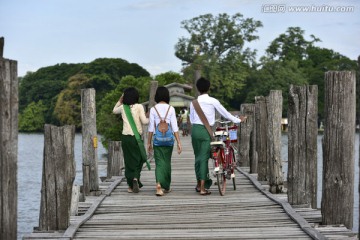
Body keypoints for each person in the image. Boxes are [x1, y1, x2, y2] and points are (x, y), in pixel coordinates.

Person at [189, 77, 247, 196]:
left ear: (197, 89)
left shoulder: (193, 103)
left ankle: (199, 183)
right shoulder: (212, 101)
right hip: (205, 131)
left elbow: (191, 119)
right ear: (209, 88)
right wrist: (238, 120)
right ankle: (203, 188)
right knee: (204, 158)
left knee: (198, 157)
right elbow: (225, 114)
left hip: (195, 130)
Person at [113, 87, 149, 194]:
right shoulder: (139, 106)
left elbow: (114, 110)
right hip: (136, 138)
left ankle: (130, 185)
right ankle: (135, 178)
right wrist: (151, 118)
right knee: (140, 159)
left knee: (129, 161)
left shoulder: (123, 108)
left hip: (125, 138)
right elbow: (144, 121)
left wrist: (120, 100)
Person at [147, 86, 182, 196]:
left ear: (157, 96)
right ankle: (166, 186)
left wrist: (148, 142)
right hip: (169, 140)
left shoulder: (153, 109)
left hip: (157, 140)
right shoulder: (171, 109)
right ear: (167, 96)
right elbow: (175, 127)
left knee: (159, 162)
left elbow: (151, 128)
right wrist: (179, 142)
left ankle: (158, 185)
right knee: (167, 162)